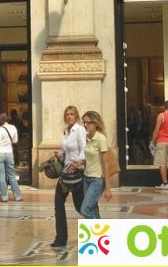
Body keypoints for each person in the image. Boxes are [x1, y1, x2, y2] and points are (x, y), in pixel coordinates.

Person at [51, 106, 86, 248]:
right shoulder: (66, 131)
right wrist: (60, 155)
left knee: (81, 206)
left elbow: (84, 150)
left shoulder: (80, 130)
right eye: (67, 114)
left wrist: (76, 164)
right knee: (58, 203)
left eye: (72, 114)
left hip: (77, 173)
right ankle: (60, 238)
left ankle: (97, 230)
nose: (69, 116)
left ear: (76, 116)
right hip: (65, 173)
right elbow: (66, 151)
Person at [80, 111, 112, 219]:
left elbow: (106, 163)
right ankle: (98, 230)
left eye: (88, 122)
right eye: (84, 122)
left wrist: (108, 188)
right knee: (93, 209)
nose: (85, 125)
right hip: (86, 178)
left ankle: (98, 229)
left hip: (97, 179)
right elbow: (91, 157)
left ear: (96, 123)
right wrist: (80, 162)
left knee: (85, 209)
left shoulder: (101, 139)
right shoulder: (87, 138)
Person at [0, 112, 22, 202]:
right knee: (12, 175)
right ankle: (17, 195)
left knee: (1, 175)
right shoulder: (13, 127)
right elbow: (15, 140)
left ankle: (4, 196)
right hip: (9, 153)